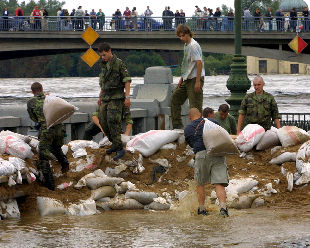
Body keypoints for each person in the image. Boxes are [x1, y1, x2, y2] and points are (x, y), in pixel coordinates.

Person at [184, 108, 229, 217]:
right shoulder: (212, 122)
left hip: (201, 154)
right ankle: (223, 208)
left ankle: (202, 209)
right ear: (200, 114)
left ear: (189, 117)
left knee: (200, 183)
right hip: (217, 152)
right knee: (219, 183)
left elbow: (192, 143)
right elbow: (221, 134)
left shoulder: (188, 128)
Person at [27, 82, 69, 191]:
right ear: (42, 89)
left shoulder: (31, 102)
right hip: (59, 128)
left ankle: (50, 185)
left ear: (32, 92)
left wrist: (41, 121)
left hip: (46, 130)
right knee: (55, 147)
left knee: (43, 157)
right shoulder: (51, 98)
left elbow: (33, 118)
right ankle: (64, 163)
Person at [98, 43, 131, 160]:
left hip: (116, 97)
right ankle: (115, 144)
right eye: (101, 55)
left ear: (109, 51)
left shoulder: (119, 64)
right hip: (105, 97)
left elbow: (127, 80)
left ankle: (120, 148)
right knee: (103, 121)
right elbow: (103, 82)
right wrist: (100, 96)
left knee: (113, 120)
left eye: (104, 54)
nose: (103, 57)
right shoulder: (104, 65)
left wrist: (127, 97)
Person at [171, 24, 205, 129]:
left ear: (187, 34)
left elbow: (199, 63)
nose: (181, 38)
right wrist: (182, 79)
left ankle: (197, 129)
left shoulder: (193, 45)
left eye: (182, 36)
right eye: (179, 36)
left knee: (195, 107)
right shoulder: (186, 45)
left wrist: (198, 82)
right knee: (175, 98)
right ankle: (177, 126)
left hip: (195, 78)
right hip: (187, 79)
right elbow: (187, 64)